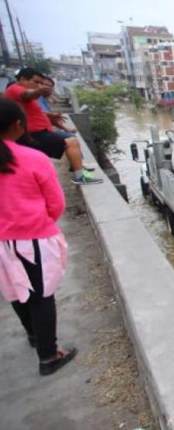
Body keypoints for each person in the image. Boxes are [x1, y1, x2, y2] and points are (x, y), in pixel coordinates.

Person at [0, 98, 77, 376]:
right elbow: (56, 205)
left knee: (15, 291)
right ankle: (49, 356)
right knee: (41, 296)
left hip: (2, 245)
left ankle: (33, 335)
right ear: (18, 125)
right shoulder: (32, 158)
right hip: (31, 238)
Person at [3, 68, 101, 185]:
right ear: (23, 79)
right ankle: (80, 175)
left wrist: (49, 114)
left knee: (70, 141)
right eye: (36, 82)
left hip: (38, 132)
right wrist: (38, 92)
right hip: (35, 134)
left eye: (40, 83)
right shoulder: (16, 89)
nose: (38, 85)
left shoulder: (20, 94)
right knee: (71, 142)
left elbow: (32, 111)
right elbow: (27, 94)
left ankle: (79, 170)